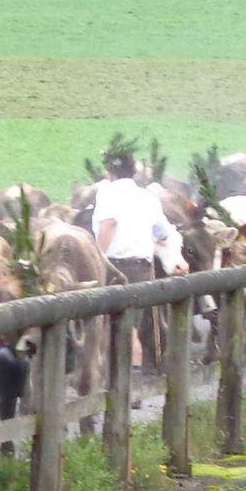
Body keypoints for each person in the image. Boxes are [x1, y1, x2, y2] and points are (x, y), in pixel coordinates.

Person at [90, 147, 174, 373]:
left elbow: (109, 225)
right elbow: (163, 233)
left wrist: (99, 257)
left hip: (114, 266)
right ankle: (134, 376)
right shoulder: (148, 197)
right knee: (134, 323)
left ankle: (122, 377)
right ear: (134, 171)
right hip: (143, 268)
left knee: (116, 325)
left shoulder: (107, 193)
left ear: (110, 172)